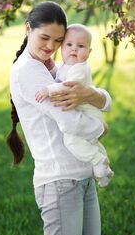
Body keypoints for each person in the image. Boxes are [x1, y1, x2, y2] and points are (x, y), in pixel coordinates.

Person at [7, 1, 112, 235]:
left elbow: (96, 95)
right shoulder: (29, 70)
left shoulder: (53, 66)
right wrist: (99, 128)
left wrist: (94, 98)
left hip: (82, 174)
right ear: (28, 28)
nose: (50, 46)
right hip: (59, 181)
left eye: (58, 40)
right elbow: (68, 120)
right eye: (44, 38)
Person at [35, 23, 114, 188]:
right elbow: (59, 77)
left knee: (71, 141)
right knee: (90, 143)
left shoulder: (80, 68)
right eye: (69, 45)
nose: (74, 49)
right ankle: (104, 170)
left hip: (88, 114)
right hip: (84, 112)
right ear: (62, 47)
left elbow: (67, 86)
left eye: (81, 46)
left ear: (89, 52)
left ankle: (98, 160)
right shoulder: (66, 66)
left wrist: (48, 90)